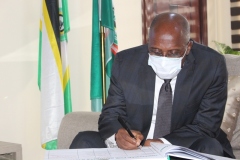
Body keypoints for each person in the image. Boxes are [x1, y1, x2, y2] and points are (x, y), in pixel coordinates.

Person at [70, 12, 235, 158]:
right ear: (148, 42)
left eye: (173, 53)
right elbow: (111, 115)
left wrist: (161, 142)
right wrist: (118, 135)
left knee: (210, 147)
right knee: (83, 140)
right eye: (156, 51)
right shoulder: (126, 63)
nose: (163, 58)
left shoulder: (211, 65)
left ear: (188, 47)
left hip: (181, 147)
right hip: (135, 149)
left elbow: (206, 125)